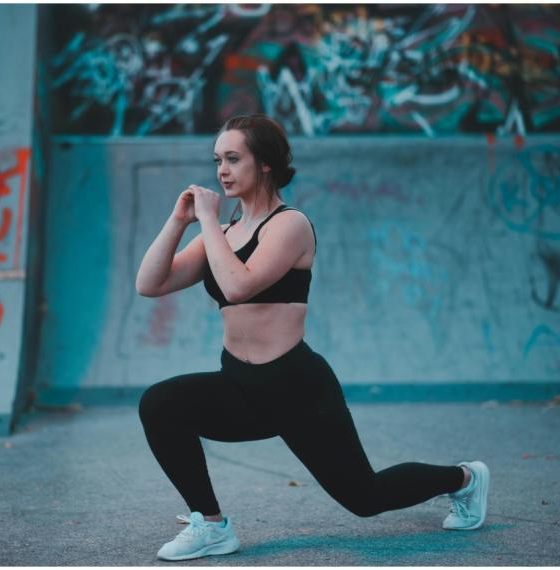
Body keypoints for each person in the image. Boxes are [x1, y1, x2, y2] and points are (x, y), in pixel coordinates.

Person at [135, 114, 490, 561]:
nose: (221, 170)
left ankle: (464, 478)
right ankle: (210, 524)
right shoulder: (220, 233)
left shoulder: (290, 225)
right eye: (217, 160)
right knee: (161, 404)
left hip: (296, 389)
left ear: (264, 163)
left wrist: (207, 221)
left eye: (232, 158)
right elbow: (150, 284)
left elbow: (240, 285)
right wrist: (178, 220)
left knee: (366, 498)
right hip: (240, 385)